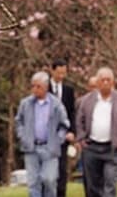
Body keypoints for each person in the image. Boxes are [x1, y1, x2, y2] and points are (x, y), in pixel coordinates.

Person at [75, 67, 117, 197]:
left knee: (110, 184)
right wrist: (81, 139)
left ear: (113, 82)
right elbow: (80, 121)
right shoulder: (86, 101)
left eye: (109, 80)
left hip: (112, 149)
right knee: (93, 187)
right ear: (97, 83)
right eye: (103, 80)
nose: (106, 83)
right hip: (91, 148)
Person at [17, 71, 71, 197]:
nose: (35, 89)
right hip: (31, 147)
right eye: (33, 86)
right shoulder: (25, 104)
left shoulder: (56, 104)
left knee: (49, 180)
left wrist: (58, 140)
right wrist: (23, 137)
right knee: (33, 183)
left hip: (49, 148)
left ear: (46, 87)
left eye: (38, 86)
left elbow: (64, 124)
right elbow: (19, 121)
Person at [49, 59, 76, 197]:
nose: (61, 76)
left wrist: (71, 131)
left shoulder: (68, 90)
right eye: (58, 73)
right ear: (52, 70)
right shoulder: (43, 88)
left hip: (63, 137)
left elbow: (72, 112)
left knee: (61, 170)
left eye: (64, 73)